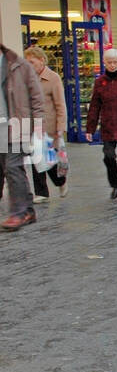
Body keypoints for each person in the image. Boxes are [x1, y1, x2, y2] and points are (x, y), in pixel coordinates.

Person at [85, 48, 117, 201]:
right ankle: (116, 183)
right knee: (108, 156)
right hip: (108, 126)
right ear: (104, 63)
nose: (113, 65)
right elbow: (95, 106)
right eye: (109, 62)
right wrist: (90, 128)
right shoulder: (100, 82)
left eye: (115, 62)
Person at [1, 43, 44, 231]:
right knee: (11, 168)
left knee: (12, 167)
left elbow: (36, 96)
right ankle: (28, 209)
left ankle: (17, 213)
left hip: (18, 125)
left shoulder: (19, 65)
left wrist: (39, 126)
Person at [24, 46, 68, 201]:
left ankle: (60, 181)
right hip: (33, 126)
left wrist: (60, 127)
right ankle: (41, 192)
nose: (29, 65)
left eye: (32, 62)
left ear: (41, 60)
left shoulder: (53, 78)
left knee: (50, 161)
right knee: (36, 158)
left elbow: (60, 104)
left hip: (49, 126)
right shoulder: (27, 79)